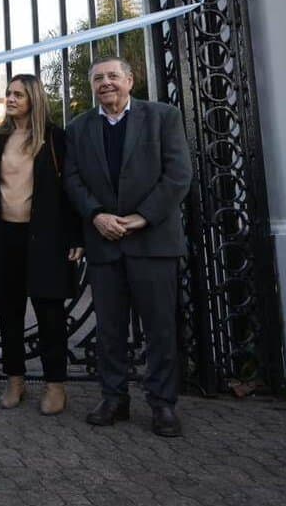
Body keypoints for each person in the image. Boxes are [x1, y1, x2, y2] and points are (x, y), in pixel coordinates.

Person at [63, 56, 193, 437]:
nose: (106, 83)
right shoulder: (78, 128)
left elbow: (178, 175)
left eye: (113, 76)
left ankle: (162, 403)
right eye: (98, 78)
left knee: (160, 329)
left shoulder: (163, 117)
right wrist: (96, 215)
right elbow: (71, 179)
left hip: (153, 242)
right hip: (104, 243)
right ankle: (114, 398)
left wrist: (141, 217)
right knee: (110, 329)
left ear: (130, 81)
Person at [0, 74, 83, 415]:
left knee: (50, 314)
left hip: (45, 238)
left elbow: (69, 190)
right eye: (8, 93)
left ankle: (55, 385)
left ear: (34, 98)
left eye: (18, 94)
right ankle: (15, 380)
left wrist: (75, 235)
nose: (11, 99)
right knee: (9, 313)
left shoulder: (55, 138)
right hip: (4, 239)